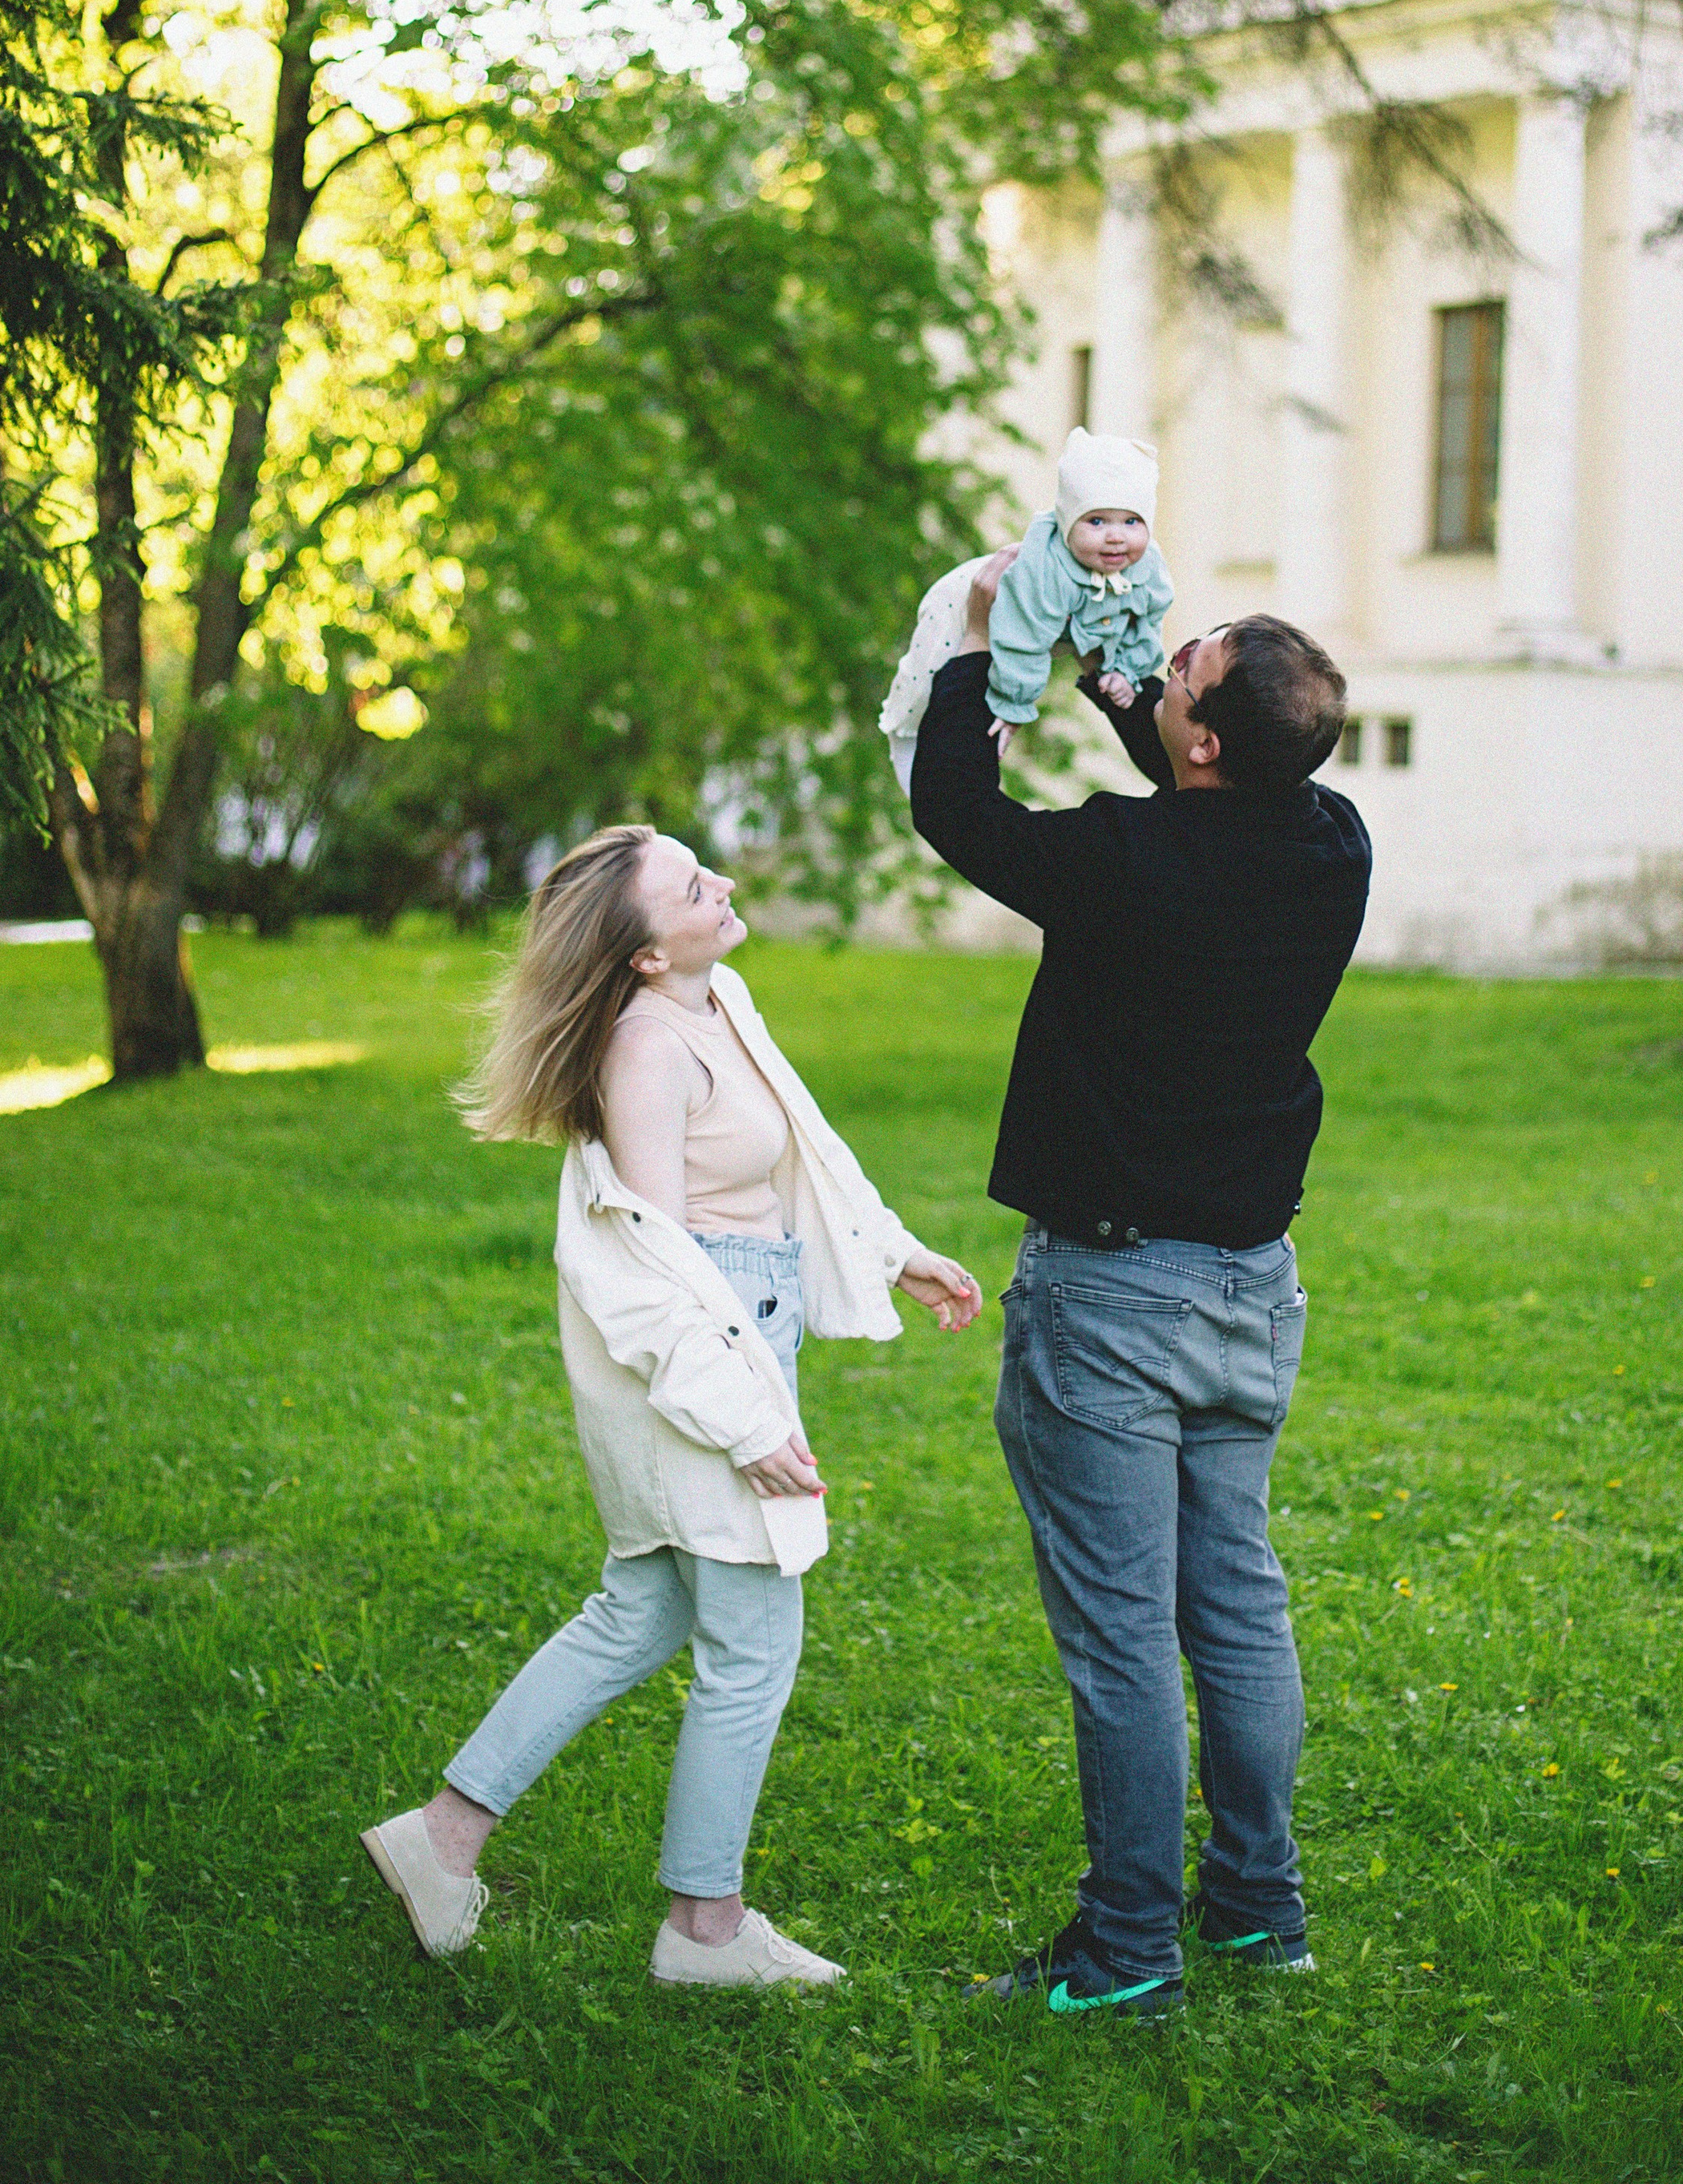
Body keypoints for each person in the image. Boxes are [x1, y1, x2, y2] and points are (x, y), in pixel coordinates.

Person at [360, 825, 981, 1990]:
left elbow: (807, 1155)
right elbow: (652, 1270)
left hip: (746, 1328)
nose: (727, 884)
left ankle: (441, 1840)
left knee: (642, 1607)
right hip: (699, 1363)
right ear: (643, 955)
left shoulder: (721, 999)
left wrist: (897, 1254)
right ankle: (705, 1931)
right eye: (695, 887)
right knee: (752, 1644)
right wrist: (747, 1427)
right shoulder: (644, 1053)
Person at [910, 571, 1370, 2021]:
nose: (1163, 672)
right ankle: (1257, 1914)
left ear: (1209, 743)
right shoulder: (1333, 842)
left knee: (1122, 1645)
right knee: (1234, 1609)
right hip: (1251, 1293)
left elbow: (957, 816)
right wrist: (1122, 682)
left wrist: (981, 652)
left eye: (1180, 673)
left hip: (1112, 1303)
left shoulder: (1122, 861)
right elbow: (1199, 808)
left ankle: (1122, 1954)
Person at [878, 429, 1174, 793]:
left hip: (1061, 632)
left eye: (1132, 522)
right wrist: (1013, 705)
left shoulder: (1148, 566)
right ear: (1067, 522)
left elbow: (1148, 620)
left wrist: (1127, 671)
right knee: (932, 675)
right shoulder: (1045, 572)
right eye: (1096, 521)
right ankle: (905, 740)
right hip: (970, 604)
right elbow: (1024, 641)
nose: (1116, 536)